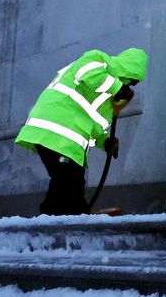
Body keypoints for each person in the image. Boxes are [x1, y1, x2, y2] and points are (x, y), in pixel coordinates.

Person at [14, 48, 146, 216]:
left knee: (71, 182)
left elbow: (93, 125)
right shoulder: (99, 60)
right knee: (67, 180)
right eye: (131, 81)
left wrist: (105, 141)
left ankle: (69, 218)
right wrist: (117, 88)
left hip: (66, 141)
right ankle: (52, 223)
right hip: (56, 129)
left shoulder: (107, 99)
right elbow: (88, 74)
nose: (130, 86)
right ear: (126, 70)